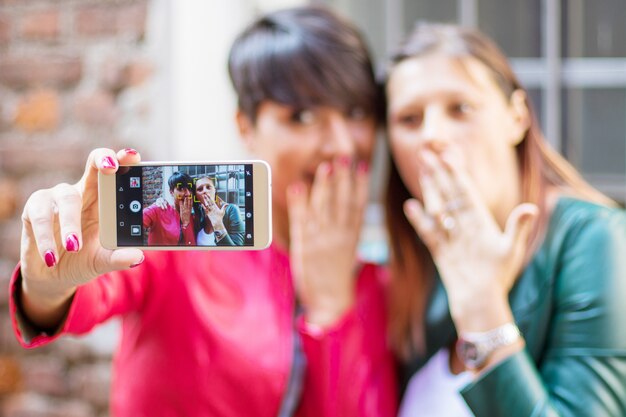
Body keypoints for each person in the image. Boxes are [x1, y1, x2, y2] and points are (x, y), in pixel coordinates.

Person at [9, 6, 396, 417]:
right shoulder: (181, 240)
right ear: (245, 127)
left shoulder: (381, 282)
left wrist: (332, 308)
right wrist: (48, 285)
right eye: (302, 116)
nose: (341, 145)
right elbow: (86, 293)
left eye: (356, 113)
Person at [384, 23, 626, 416]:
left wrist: (483, 308)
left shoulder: (594, 240)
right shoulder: (408, 264)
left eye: (460, 109)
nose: (432, 135)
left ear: (517, 116)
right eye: (409, 119)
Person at [143, 171, 196, 246]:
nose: (187, 193)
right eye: (181, 189)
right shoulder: (159, 209)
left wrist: (186, 223)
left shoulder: (193, 216)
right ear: (171, 192)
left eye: (189, 189)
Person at [192, 175, 245, 246]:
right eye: (200, 189)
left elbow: (237, 252)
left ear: (215, 190)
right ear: (196, 196)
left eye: (208, 187)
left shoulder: (231, 210)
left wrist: (218, 224)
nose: (205, 191)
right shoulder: (199, 214)